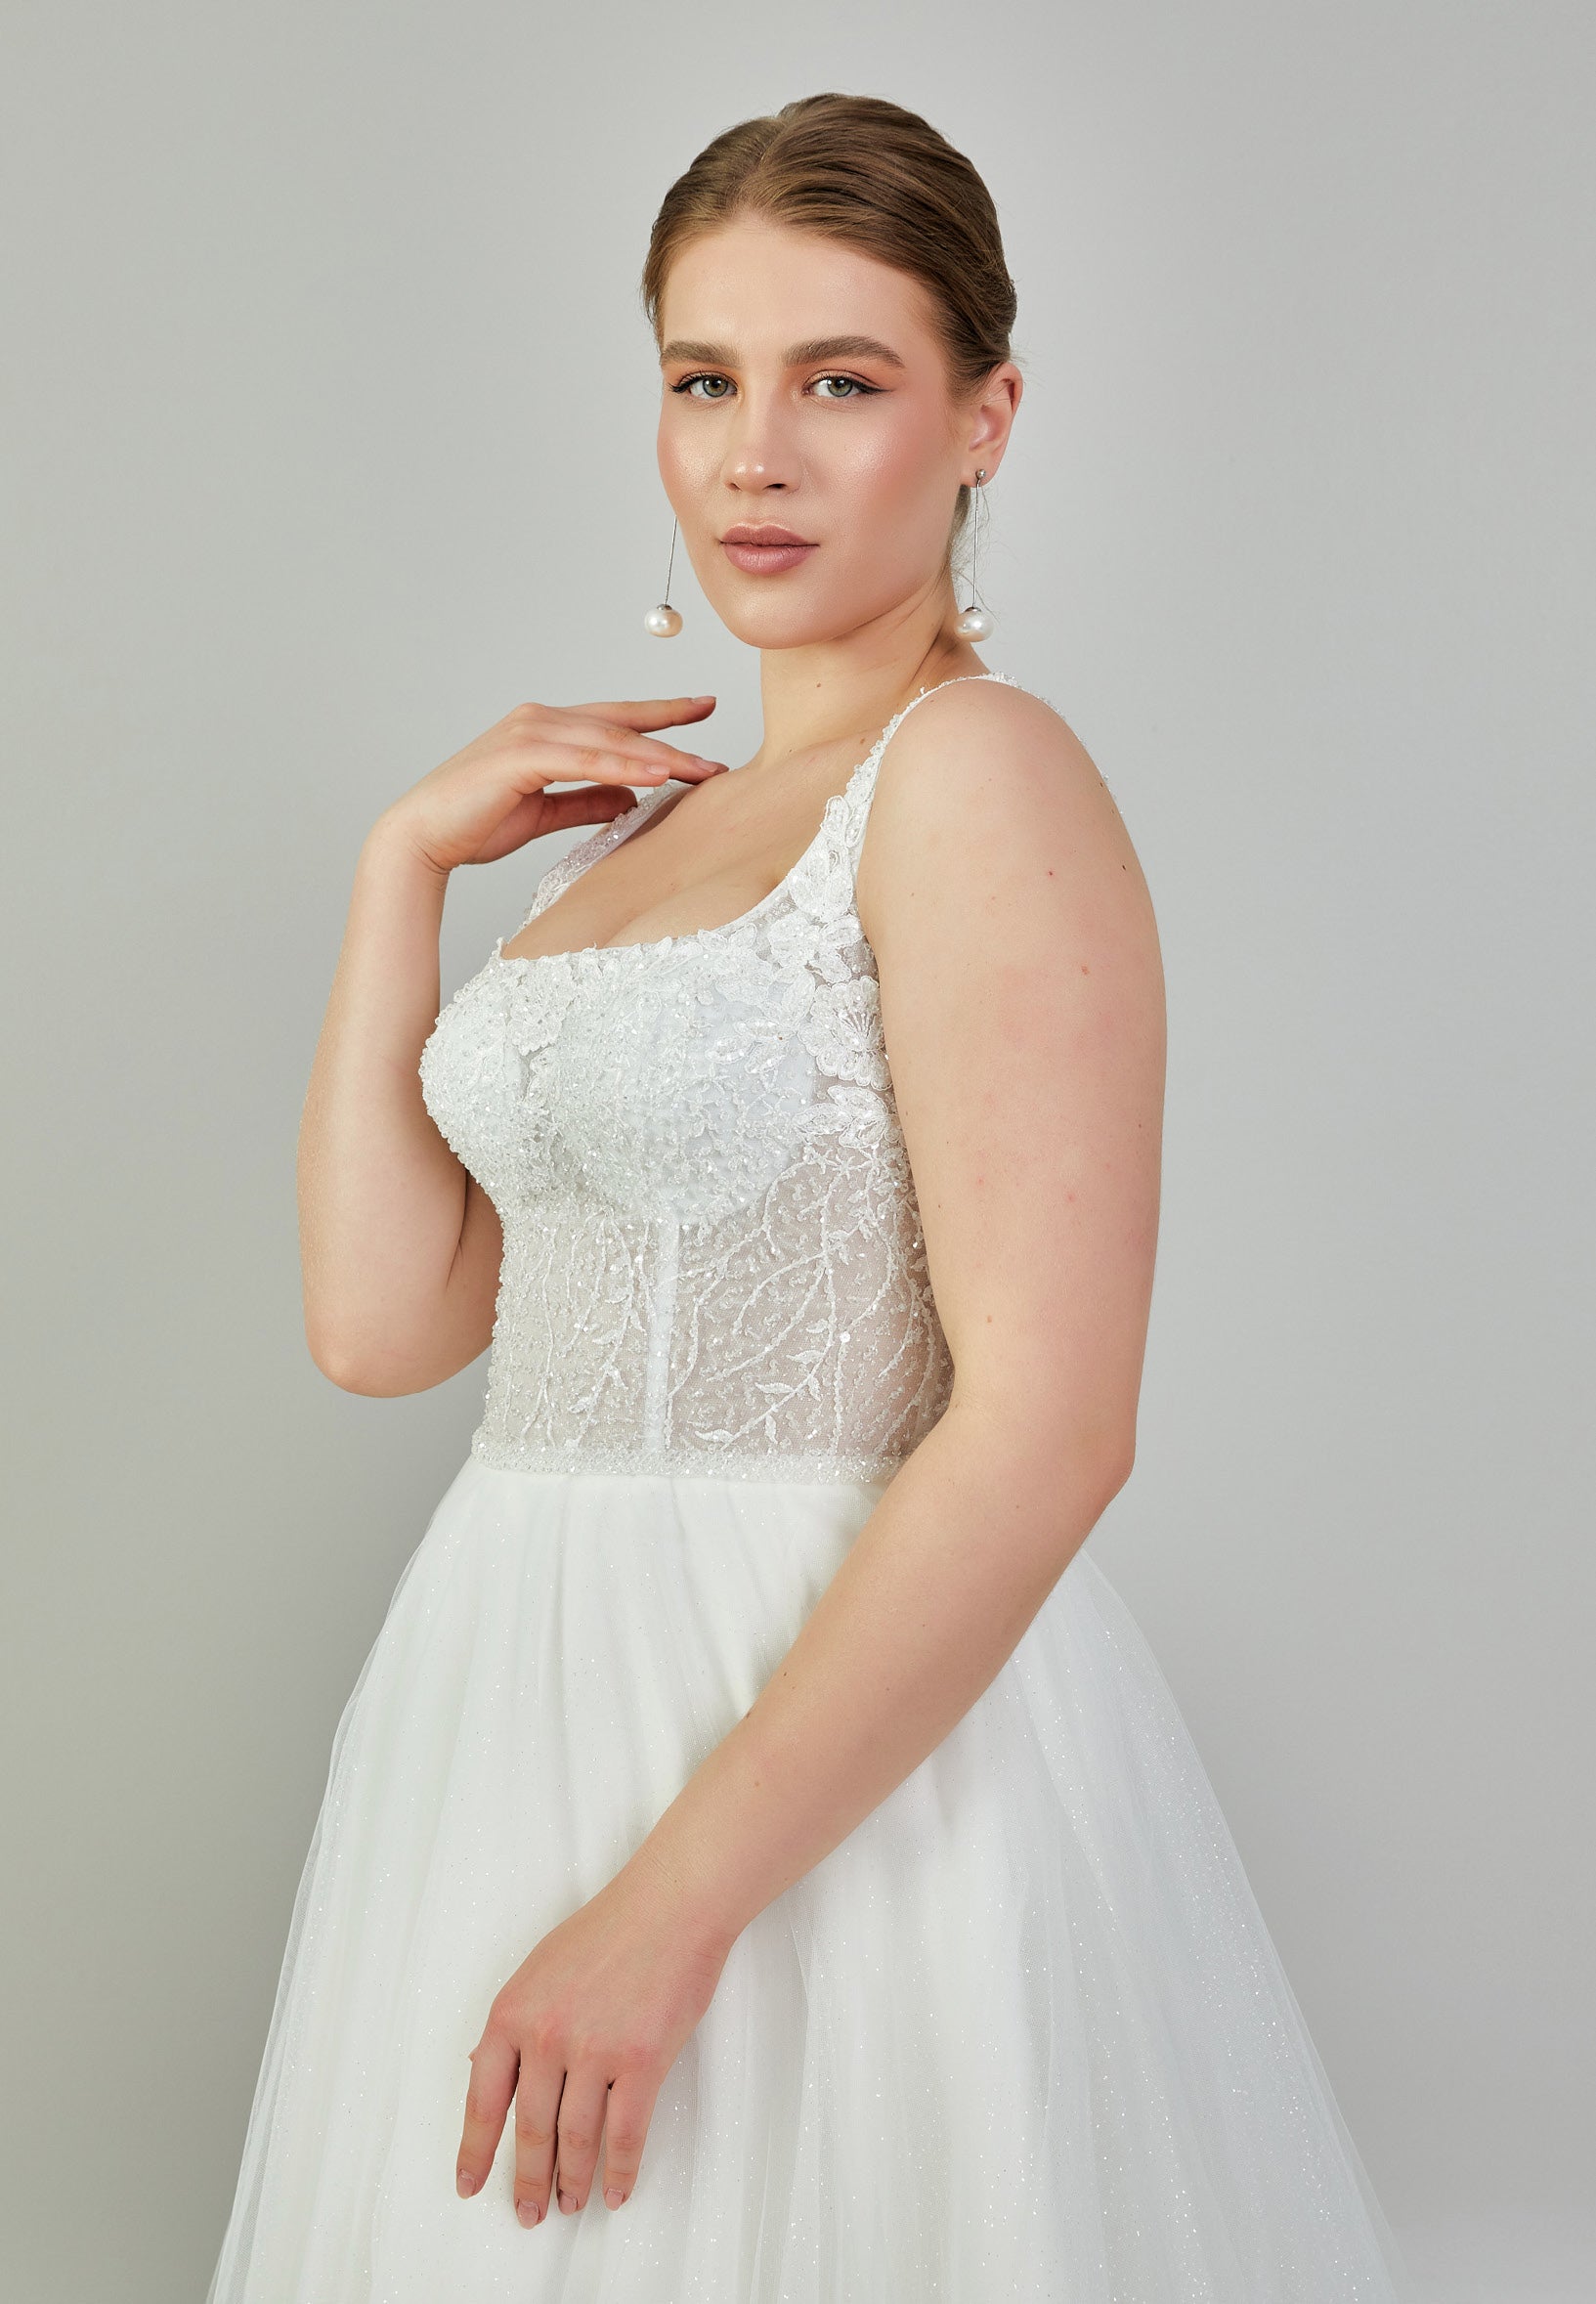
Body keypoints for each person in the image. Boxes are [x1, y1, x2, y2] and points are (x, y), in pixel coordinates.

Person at [206, 91, 1412, 2303]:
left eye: (840, 382)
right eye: (704, 379)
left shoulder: (975, 775)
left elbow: (1051, 1423)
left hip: (807, 1745)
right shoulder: (633, 838)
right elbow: (384, 1328)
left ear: (984, 418)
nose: (753, 455)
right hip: (503, 1700)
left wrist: (673, 1908)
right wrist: (396, 875)